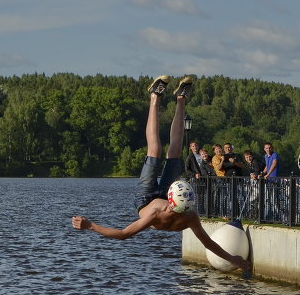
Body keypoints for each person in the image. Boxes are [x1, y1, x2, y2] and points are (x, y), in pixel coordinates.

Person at [71, 75, 249, 272]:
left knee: (154, 151)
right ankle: (179, 98)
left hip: (145, 198)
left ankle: (155, 96)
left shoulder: (187, 217)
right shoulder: (160, 212)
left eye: (176, 210)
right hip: (161, 194)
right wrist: (236, 260)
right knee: (172, 151)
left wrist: (90, 225)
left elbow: (208, 244)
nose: (171, 211)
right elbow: (124, 234)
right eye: (172, 209)